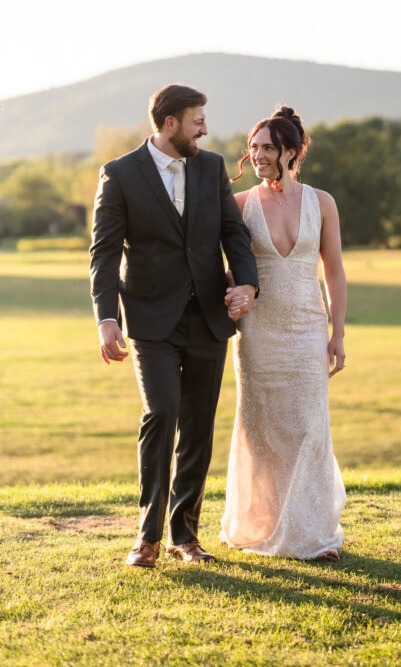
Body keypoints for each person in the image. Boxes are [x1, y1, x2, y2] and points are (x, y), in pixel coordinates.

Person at [89, 84, 259, 568]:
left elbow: (233, 233)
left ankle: (184, 536)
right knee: (161, 413)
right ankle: (146, 535)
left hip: (209, 317)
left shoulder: (210, 167)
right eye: (196, 120)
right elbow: (103, 254)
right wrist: (107, 319)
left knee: (199, 427)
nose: (204, 128)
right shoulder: (119, 174)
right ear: (169, 124)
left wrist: (247, 284)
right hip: (150, 320)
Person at [220, 106, 347, 560]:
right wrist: (234, 291)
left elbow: (333, 270)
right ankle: (265, 524)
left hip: (309, 328)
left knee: (310, 426)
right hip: (258, 333)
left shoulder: (322, 202)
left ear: (291, 152)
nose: (257, 156)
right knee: (263, 431)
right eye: (253, 148)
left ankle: (311, 533)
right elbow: (225, 266)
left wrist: (338, 333)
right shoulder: (239, 205)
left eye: (268, 148)